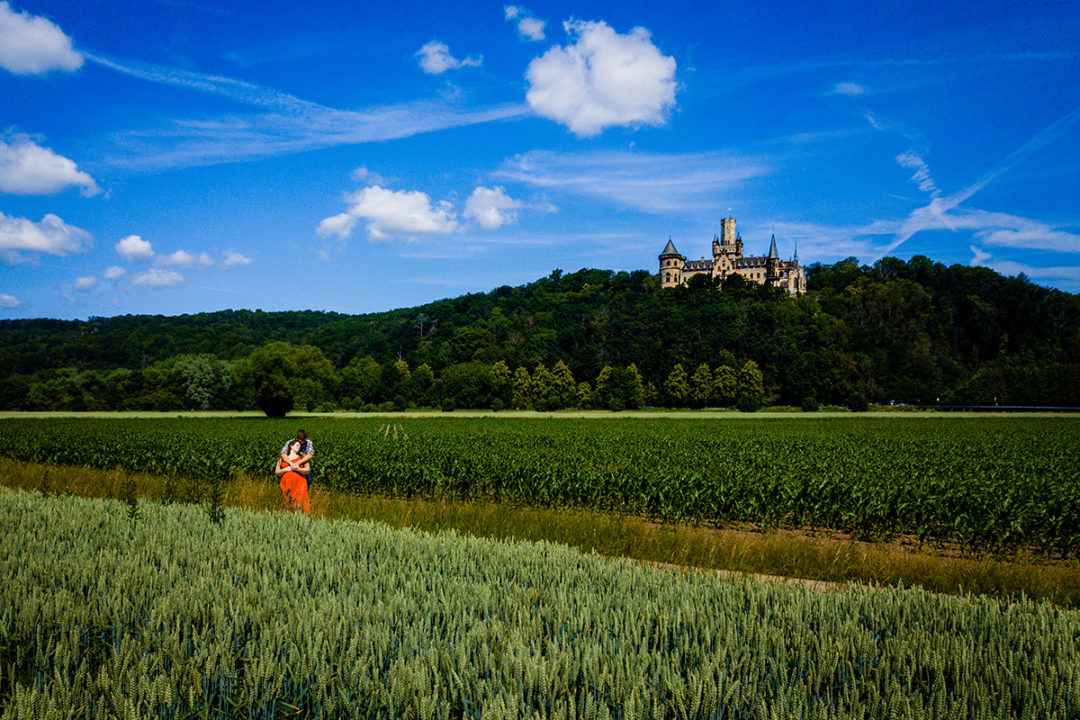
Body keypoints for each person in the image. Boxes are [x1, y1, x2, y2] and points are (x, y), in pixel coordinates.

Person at [276, 439, 310, 515]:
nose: (299, 447)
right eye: (297, 445)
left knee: (299, 504)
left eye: (300, 446)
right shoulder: (283, 458)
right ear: (291, 446)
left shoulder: (302, 457)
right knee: (289, 503)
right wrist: (285, 469)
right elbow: (277, 472)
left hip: (299, 483)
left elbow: (307, 470)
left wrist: (298, 469)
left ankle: (300, 520)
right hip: (287, 483)